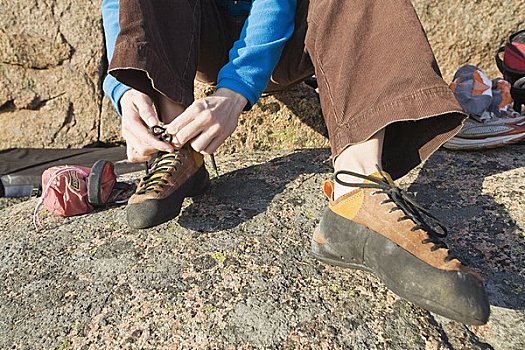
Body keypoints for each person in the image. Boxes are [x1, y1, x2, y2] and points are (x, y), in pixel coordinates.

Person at [101, 0, 490, 325]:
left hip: (291, 32)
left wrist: (237, 87)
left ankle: (359, 189)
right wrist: (126, 89)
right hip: (196, 33)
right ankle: (176, 141)